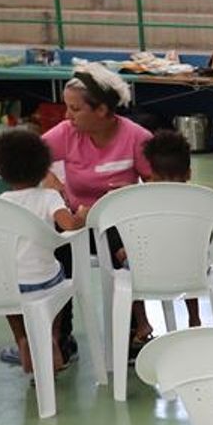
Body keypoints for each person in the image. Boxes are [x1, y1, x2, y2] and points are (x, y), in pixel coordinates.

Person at [43, 63, 155, 354]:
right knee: (55, 247)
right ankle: (60, 337)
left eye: (75, 109)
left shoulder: (136, 137)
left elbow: (156, 188)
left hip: (119, 226)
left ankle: (133, 331)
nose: (67, 116)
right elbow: (28, 156)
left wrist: (131, 198)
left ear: (102, 110)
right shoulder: (67, 133)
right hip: (78, 223)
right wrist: (48, 177)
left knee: (122, 244)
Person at [0, 130, 88, 374]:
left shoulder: (1, 201)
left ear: (2, 170)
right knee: (59, 283)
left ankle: (22, 339)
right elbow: (69, 225)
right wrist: (82, 215)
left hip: (11, 284)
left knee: (11, 303)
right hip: (43, 281)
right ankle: (52, 336)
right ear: (44, 167)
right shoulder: (49, 197)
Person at [139, 129, 202, 329]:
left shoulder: (139, 200)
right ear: (189, 173)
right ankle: (194, 318)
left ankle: (142, 322)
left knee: (125, 273)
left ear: (152, 175)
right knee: (192, 261)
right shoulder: (200, 201)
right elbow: (206, 238)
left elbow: (137, 233)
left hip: (146, 270)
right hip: (193, 269)